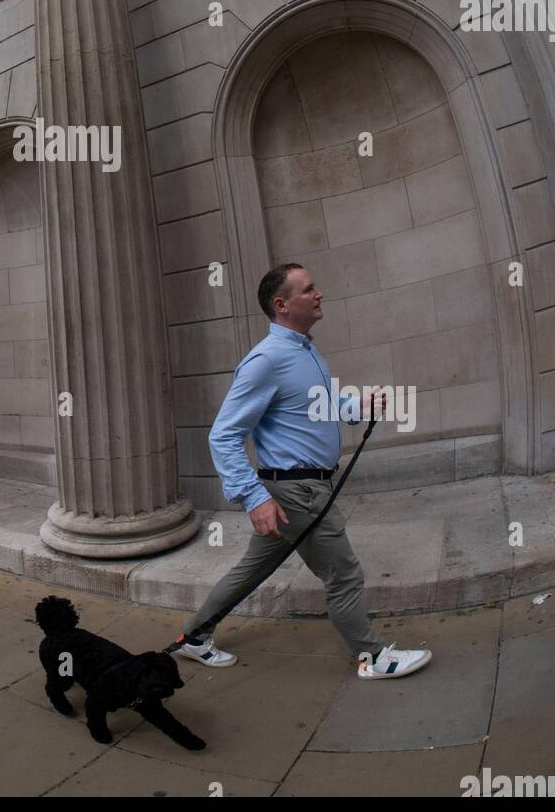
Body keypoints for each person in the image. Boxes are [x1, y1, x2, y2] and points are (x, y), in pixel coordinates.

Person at [175, 263, 432, 681]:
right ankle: (373, 657)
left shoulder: (305, 350)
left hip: (301, 489)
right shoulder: (266, 360)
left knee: (251, 570)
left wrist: (358, 407)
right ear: (282, 304)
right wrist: (253, 497)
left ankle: (194, 638)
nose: (319, 294)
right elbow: (223, 435)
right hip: (298, 493)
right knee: (344, 573)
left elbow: (320, 404)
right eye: (309, 289)